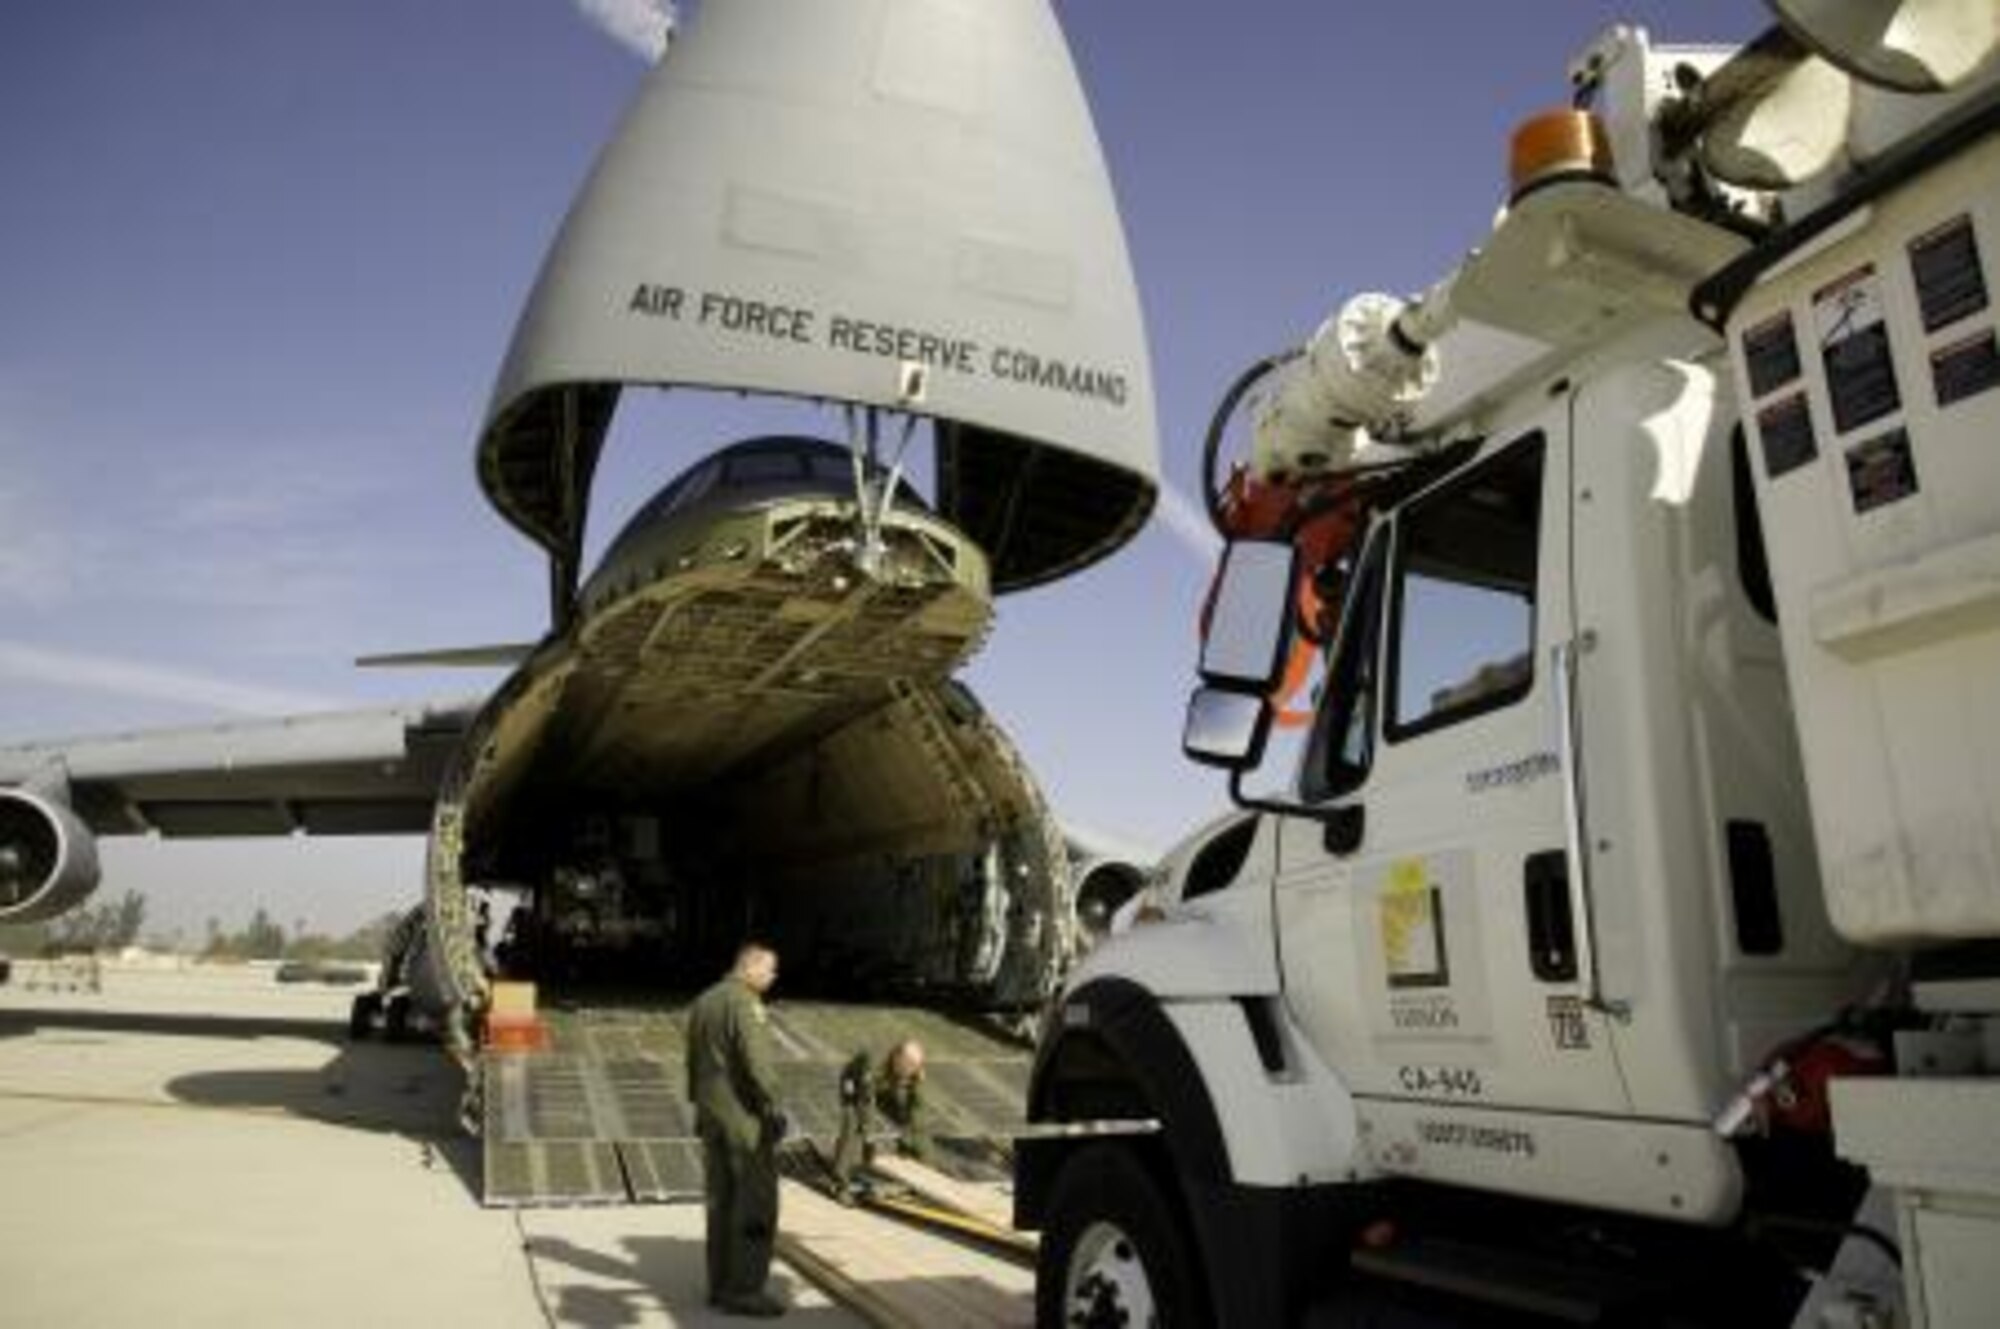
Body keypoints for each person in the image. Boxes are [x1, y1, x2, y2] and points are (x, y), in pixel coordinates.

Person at [686, 942, 788, 1318]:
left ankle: (719, 1285)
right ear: (751, 968)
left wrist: (700, 1107)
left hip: (711, 1116)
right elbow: (758, 1062)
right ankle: (745, 1290)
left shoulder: (705, 1001)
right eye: (770, 970)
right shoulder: (745, 1003)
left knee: (720, 1202)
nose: (773, 978)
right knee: (756, 1203)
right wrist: (775, 1105)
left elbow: (692, 1063)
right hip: (744, 1122)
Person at [828, 1038, 932, 1203]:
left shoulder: (915, 1071)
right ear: (897, 1057)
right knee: (853, 1122)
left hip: (883, 1085)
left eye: (915, 1067)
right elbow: (866, 1103)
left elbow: (918, 1114)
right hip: (854, 1085)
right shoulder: (874, 1063)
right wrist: (868, 1132)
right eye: (908, 1065)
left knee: (907, 1117)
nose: (911, 1071)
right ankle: (840, 1182)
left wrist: (924, 1160)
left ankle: (900, 1164)